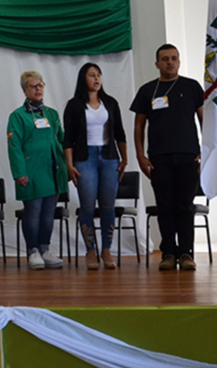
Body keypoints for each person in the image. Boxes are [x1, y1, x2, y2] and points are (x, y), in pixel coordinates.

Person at [130, 44, 204, 271]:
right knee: (165, 206)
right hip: (159, 158)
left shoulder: (191, 87)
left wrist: (206, 149)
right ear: (157, 64)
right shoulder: (147, 90)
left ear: (179, 62)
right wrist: (140, 156)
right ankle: (169, 254)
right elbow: (139, 126)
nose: (169, 62)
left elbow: (205, 120)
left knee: (185, 206)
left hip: (189, 156)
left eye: (173, 58)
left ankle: (187, 253)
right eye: (165, 59)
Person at [63, 62, 129, 270]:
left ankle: (107, 249)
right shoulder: (74, 105)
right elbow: (68, 139)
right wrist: (69, 165)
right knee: (88, 206)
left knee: (108, 206)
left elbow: (120, 132)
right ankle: (90, 250)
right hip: (85, 158)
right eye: (92, 75)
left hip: (109, 158)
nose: (97, 79)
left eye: (99, 75)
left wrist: (124, 159)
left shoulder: (110, 102)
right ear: (84, 79)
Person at [7, 71, 67, 270]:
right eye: (33, 86)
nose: (38, 88)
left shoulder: (52, 114)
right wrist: (19, 172)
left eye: (41, 84)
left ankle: (45, 249)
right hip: (31, 171)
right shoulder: (18, 116)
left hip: (52, 171)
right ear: (25, 90)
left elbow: (61, 140)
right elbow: (13, 145)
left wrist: (68, 165)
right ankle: (33, 251)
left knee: (48, 213)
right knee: (33, 212)